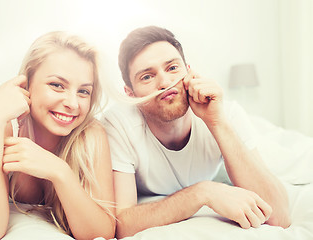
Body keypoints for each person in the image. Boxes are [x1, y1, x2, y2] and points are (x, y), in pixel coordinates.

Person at [101, 26, 291, 238]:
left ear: (189, 72)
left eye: (172, 68)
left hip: (216, 167)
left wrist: (217, 123)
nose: (164, 82)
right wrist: (203, 192)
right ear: (130, 93)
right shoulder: (118, 123)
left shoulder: (226, 112)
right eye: (147, 77)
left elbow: (280, 217)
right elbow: (122, 224)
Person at [0, 31, 115, 240]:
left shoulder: (91, 134)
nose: (72, 103)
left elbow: (102, 233)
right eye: (57, 85)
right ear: (26, 84)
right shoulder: (6, 128)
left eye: (83, 91)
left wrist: (59, 171)